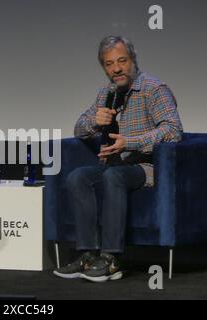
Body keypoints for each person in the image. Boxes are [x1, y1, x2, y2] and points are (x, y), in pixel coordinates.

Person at [53, 36, 183, 282]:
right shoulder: (106, 93)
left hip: (147, 167)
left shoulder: (154, 89)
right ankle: (87, 255)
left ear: (133, 60)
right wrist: (94, 121)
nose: (116, 69)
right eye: (109, 64)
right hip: (115, 166)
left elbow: (173, 130)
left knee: (113, 175)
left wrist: (129, 142)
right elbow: (79, 128)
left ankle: (111, 258)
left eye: (122, 61)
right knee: (78, 177)